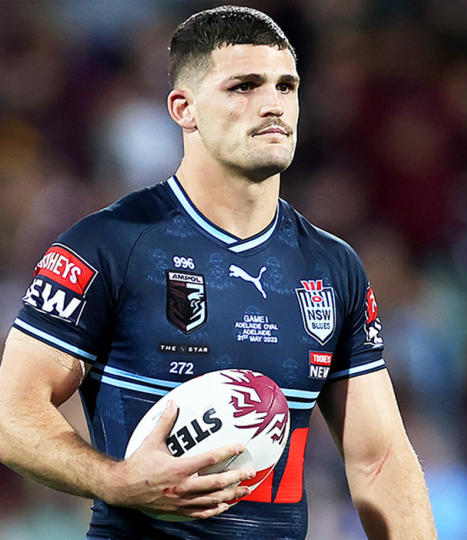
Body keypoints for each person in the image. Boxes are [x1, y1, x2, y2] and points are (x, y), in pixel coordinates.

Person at [0, 6, 436, 539]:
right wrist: (114, 480)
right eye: (244, 86)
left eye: (286, 86)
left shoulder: (332, 266)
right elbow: (10, 414)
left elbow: (380, 459)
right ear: (184, 109)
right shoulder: (109, 245)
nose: (273, 104)